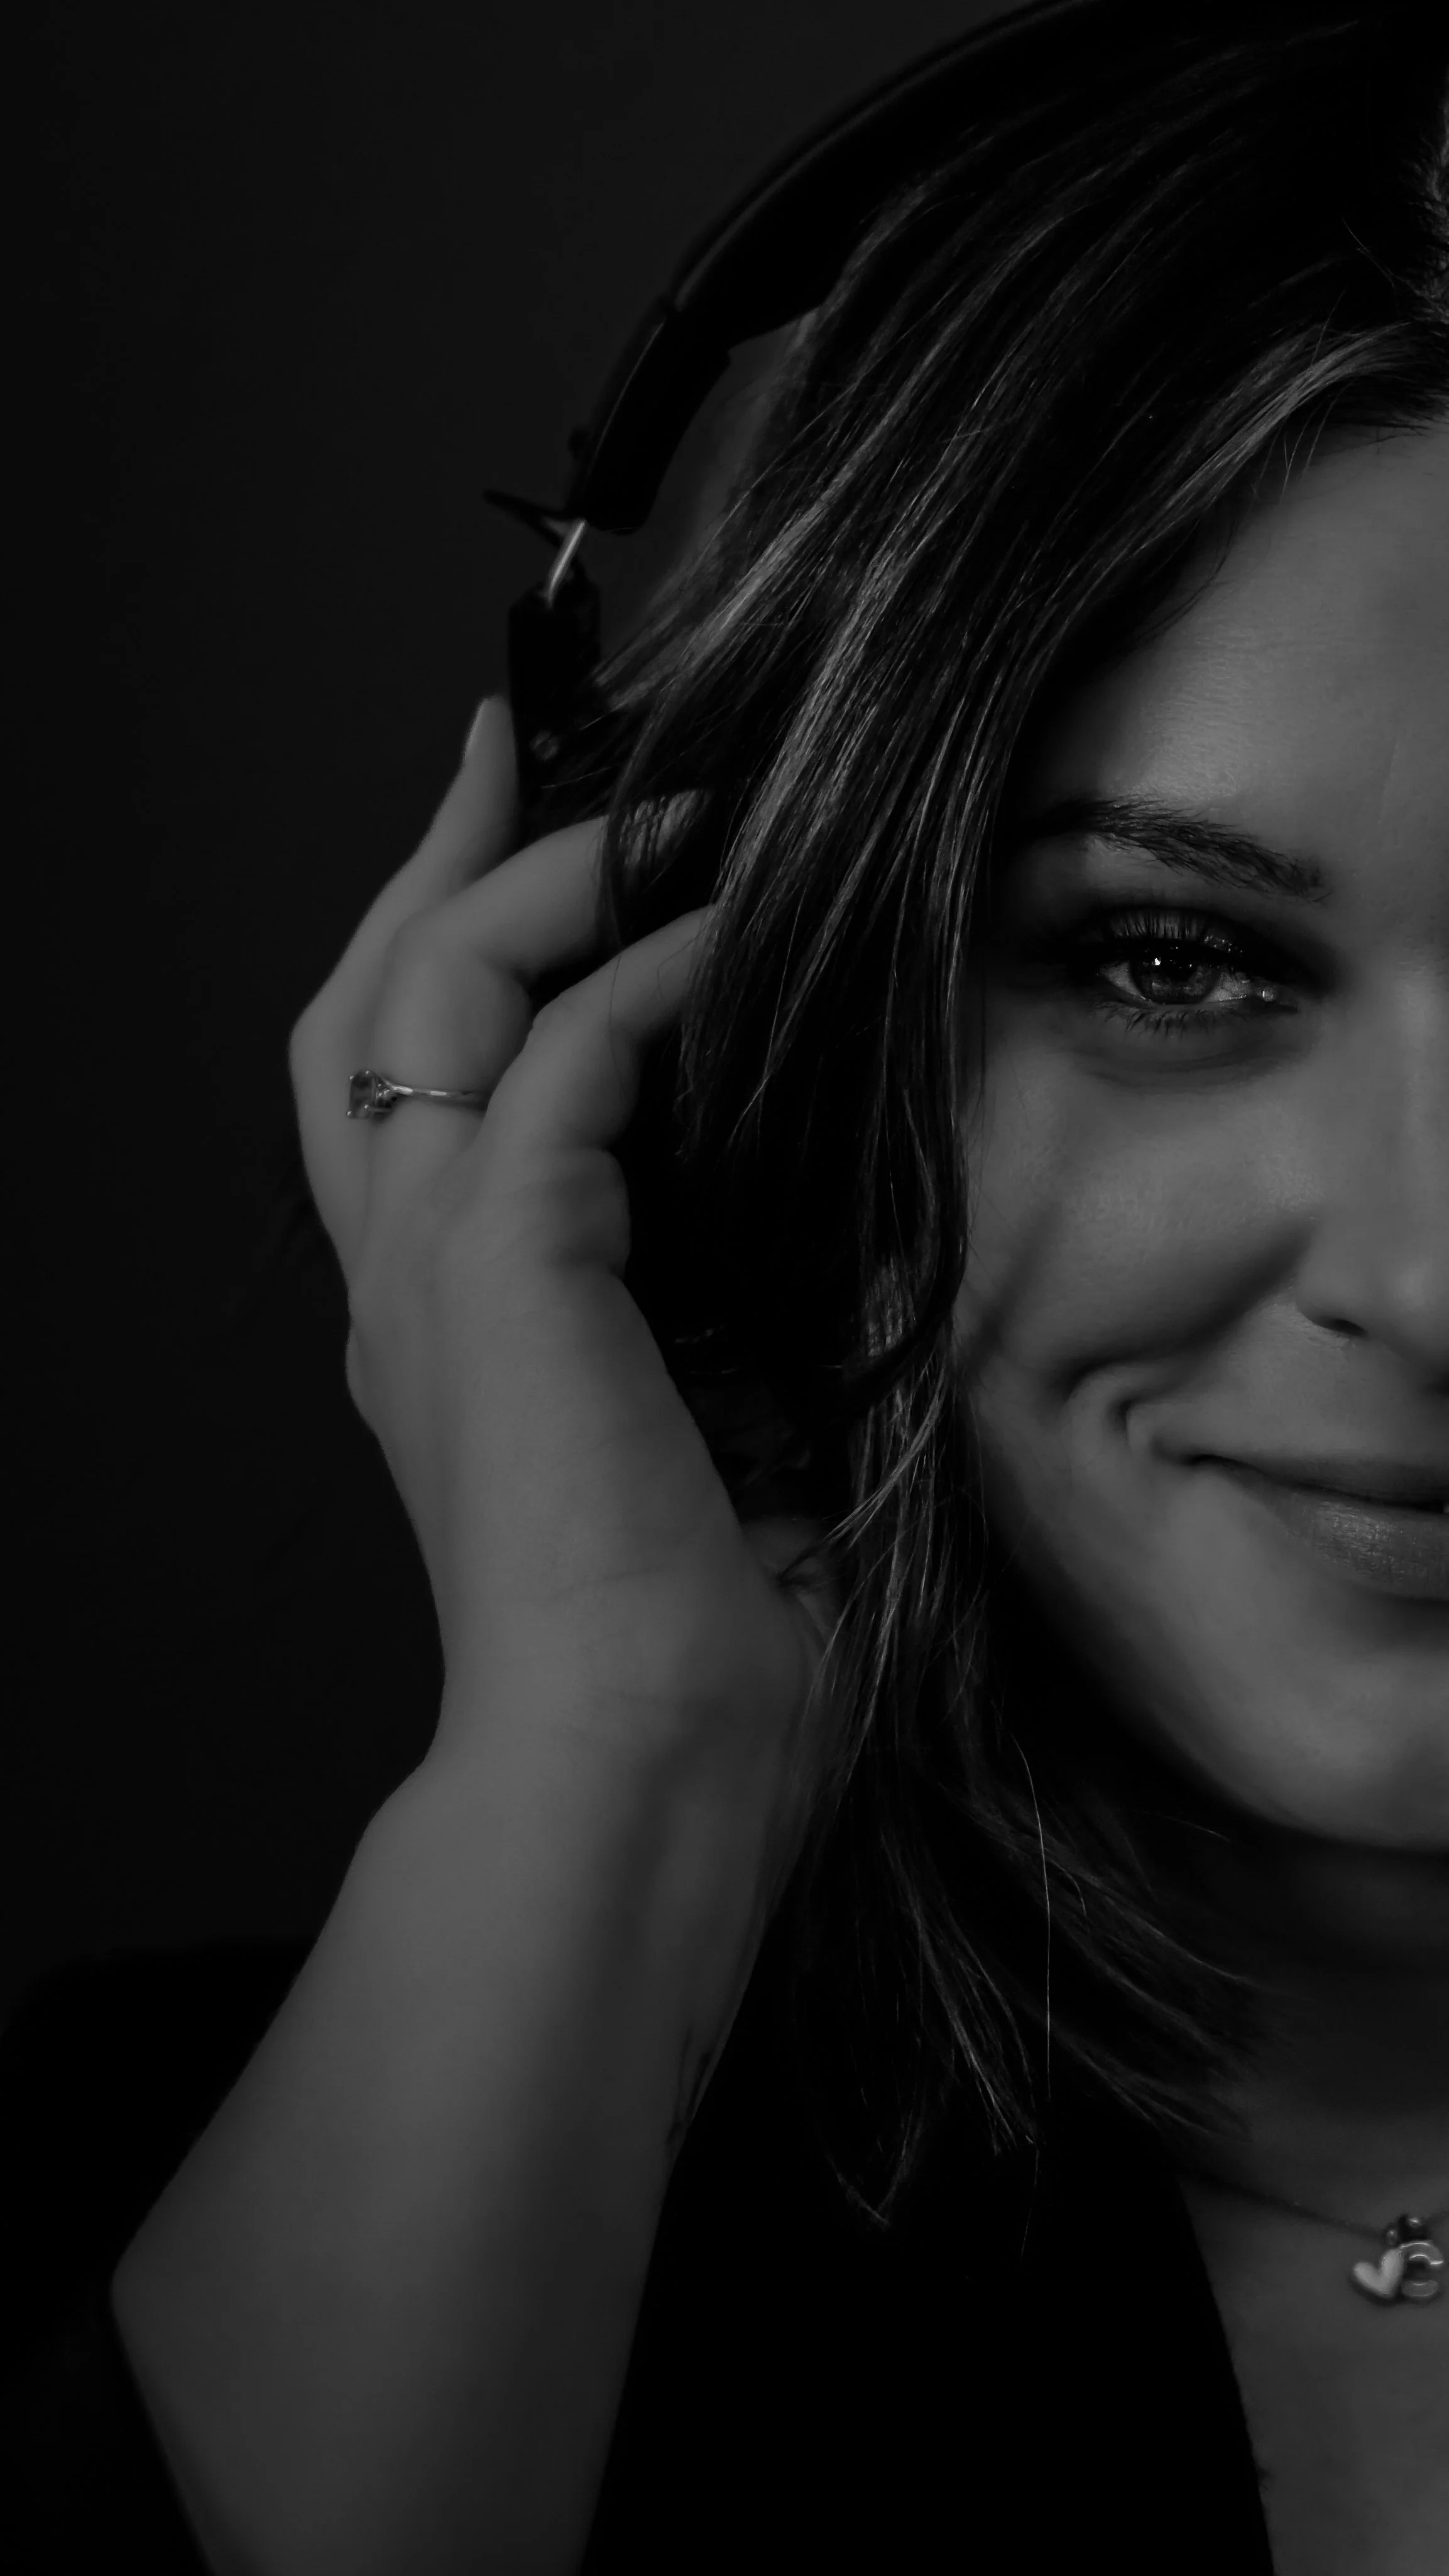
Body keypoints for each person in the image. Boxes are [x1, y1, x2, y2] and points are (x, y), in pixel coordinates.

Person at [3, 2, 1446, 2568]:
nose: (1439, 1273)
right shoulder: (182, 2207)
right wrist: (615, 1767)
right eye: (1166, 961)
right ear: (717, 998)